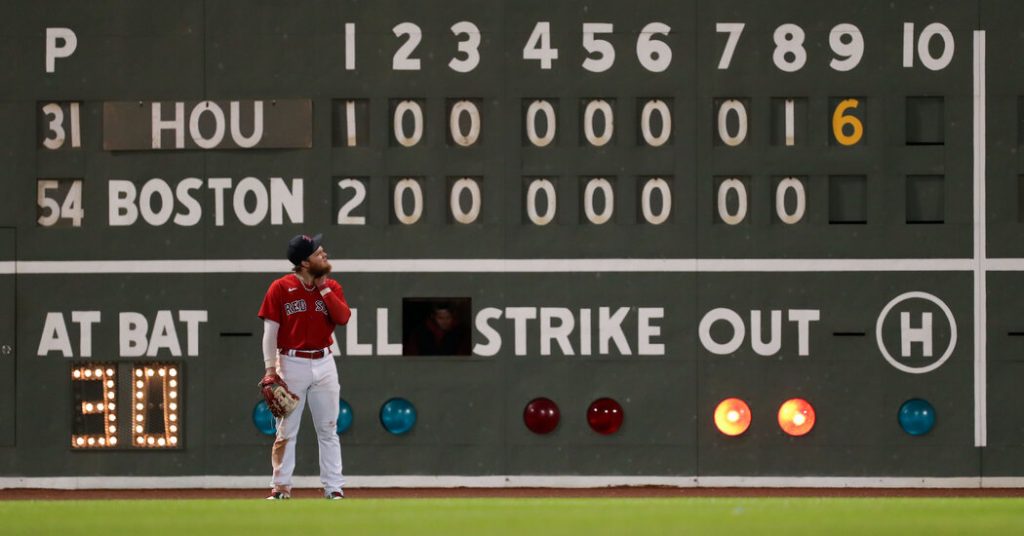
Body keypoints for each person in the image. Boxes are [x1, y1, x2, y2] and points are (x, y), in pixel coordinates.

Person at [258, 233, 351, 500]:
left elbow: (343, 317)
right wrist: (270, 369)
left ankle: (334, 487)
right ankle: (281, 487)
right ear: (304, 262)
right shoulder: (280, 287)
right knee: (286, 429)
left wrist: (323, 289)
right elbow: (270, 332)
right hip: (291, 361)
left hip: (324, 361)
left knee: (328, 428)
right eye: (317, 252)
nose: (324, 254)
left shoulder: (331, 286)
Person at [403, 302, 471, 356]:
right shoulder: (420, 332)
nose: (445, 321)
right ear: (433, 317)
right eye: (440, 318)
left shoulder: (462, 332)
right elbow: (411, 355)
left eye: (448, 317)